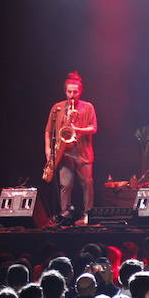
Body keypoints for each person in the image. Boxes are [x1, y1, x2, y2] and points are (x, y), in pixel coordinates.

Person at [44, 71, 97, 224]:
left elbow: (93, 128)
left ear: (80, 91)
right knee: (65, 185)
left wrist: (77, 130)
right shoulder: (57, 108)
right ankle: (64, 216)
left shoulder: (88, 107)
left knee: (87, 184)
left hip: (83, 154)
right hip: (65, 154)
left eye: (75, 92)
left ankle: (87, 215)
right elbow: (48, 130)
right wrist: (48, 150)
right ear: (65, 91)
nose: (72, 95)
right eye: (69, 92)